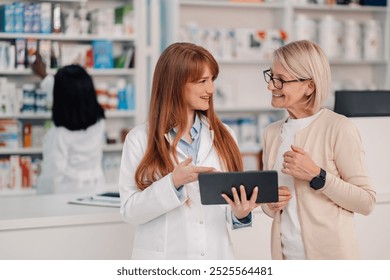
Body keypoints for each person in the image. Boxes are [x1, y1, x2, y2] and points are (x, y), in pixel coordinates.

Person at [119, 42, 264, 260]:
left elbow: (226, 207)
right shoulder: (139, 139)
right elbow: (130, 212)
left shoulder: (225, 136)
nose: (211, 90)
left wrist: (240, 213)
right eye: (202, 81)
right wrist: (172, 183)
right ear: (175, 84)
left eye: (212, 80)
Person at [260, 40, 376, 259]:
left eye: (280, 80)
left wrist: (318, 176)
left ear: (309, 86)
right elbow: (269, 207)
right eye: (271, 76)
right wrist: (270, 203)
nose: (270, 86)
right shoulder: (271, 133)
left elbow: (366, 202)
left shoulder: (339, 127)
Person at [36, 63, 107, 194]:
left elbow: (52, 176)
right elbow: (74, 95)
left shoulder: (59, 134)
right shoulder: (99, 122)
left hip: (66, 194)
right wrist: (45, 76)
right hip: (97, 189)